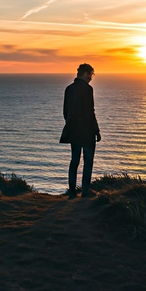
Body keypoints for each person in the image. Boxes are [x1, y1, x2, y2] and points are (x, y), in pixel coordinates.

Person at [59, 63, 101, 199]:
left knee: (74, 160)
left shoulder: (69, 89)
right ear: (86, 73)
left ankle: (72, 191)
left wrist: (70, 124)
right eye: (91, 74)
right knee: (88, 161)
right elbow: (90, 111)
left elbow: (65, 111)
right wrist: (96, 130)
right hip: (87, 130)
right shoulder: (87, 89)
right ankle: (85, 191)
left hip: (73, 130)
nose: (91, 78)